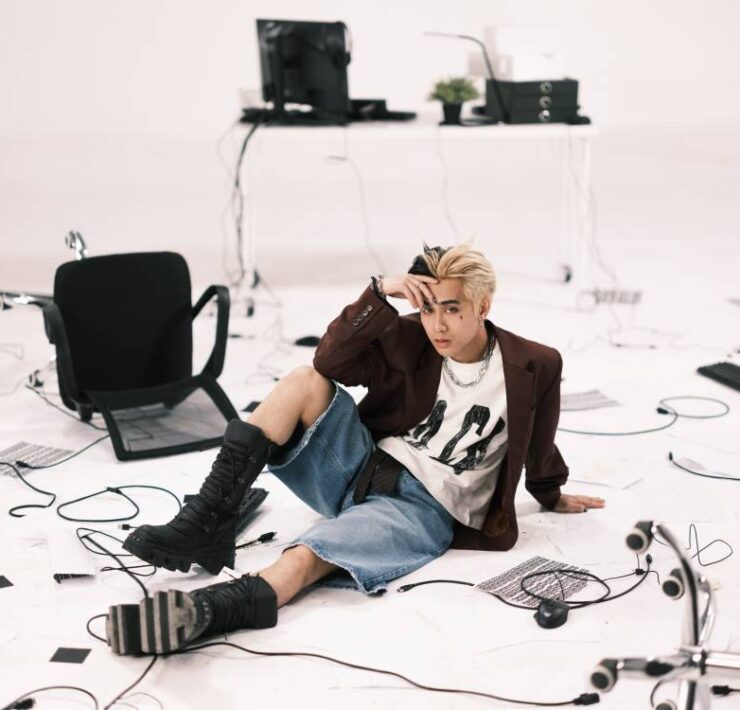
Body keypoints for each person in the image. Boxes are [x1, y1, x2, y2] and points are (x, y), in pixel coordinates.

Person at [105, 243, 604, 656]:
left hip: (420, 509)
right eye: (428, 308)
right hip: (361, 466)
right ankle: (206, 521)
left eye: (452, 309)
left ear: (483, 306)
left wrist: (550, 492)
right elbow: (330, 362)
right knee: (304, 379)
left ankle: (207, 612)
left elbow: (540, 442)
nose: (437, 325)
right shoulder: (411, 337)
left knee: (307, 554)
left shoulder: (536, 364)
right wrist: (379, 291)